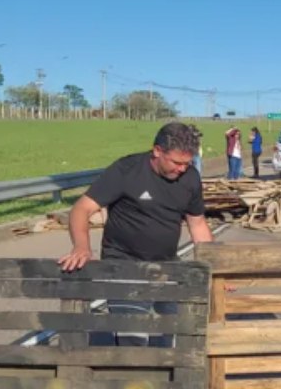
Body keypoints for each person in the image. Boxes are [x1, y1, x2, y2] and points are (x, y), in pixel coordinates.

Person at [57, 121, 215, 346]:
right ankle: (133, 378)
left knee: (173, 334)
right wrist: (81, 246)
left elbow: (197, 224)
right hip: (124, 263)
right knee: (133, 335)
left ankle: (164, 377)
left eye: (187, 163)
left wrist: (216, 266)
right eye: (177, 162)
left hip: (166, 265)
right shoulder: (127, 170)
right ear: (157, 151)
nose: (182, 169)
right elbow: (82, 209)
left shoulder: (190, 178)